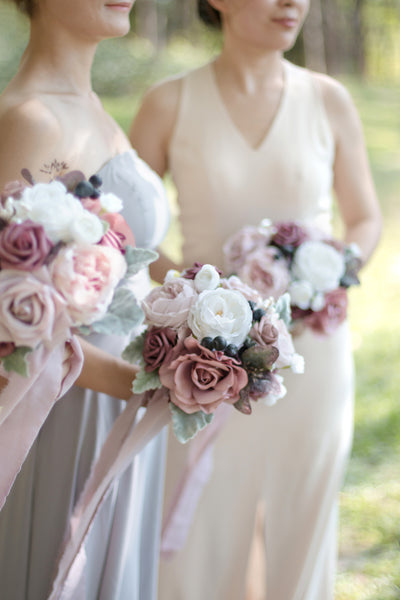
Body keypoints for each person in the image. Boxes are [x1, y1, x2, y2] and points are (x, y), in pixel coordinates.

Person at [130, 0, 382, 598]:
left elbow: (366, 218)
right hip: (205, 362)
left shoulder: (328, 100)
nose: (294, 3)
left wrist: (325, 271)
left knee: (302, 520)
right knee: (202, 528)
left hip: (312, 359)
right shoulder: (169, 102)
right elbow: (130, 233)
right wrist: (198, 298)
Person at [0, 1, 170, 599]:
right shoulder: (31, 118)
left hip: (126, 400)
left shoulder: (92, 111)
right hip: (68, 410)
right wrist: (143, 385)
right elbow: (11, 319)